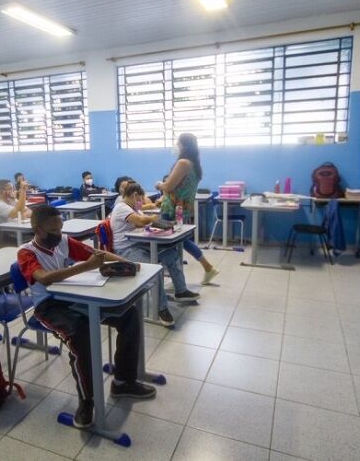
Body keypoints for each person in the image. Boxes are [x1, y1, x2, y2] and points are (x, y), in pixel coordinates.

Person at [18, 205, 156, 429]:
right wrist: (85, 268)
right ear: (38, 230)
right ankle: (87, 401)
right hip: (48, 305)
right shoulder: (26, 252)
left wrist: (124, 263)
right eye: (53, 229)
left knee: (128, 315)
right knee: (80, 332)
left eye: (61, 227)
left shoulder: (63, 240)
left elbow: (96, 256)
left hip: (74, 296)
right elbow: (44, 279)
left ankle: (123, 381)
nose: (59, 233)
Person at [110, 182, 196, 321]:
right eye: (139, 199)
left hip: (139, 244)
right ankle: (161, 309)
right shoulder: (121, 207)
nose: (141, 202)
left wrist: (152, 220)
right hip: (126, 250)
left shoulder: (132, 207)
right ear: (134, 195)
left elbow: (141, 223)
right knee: (155, 269)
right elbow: (141, 221)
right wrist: (153, 218)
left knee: (171, 255)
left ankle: (181, 291)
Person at [156, 133, 220, 285]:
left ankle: (177, 282)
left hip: (171, 209)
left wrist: (158, 184)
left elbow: (168, 186)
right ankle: (206, 268)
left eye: (178, 143)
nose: (176, 146)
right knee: (181, 241)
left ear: (184, 145)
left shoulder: (183, 163)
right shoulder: (195, 165)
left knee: (168, 246)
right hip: (182, 209)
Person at [0, 179, 31, 247]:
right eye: (10, 189)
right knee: (26, 245)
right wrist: (23, 191)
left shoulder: (11, 200)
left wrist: (22, 214)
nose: (13, 191)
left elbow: (29, 211)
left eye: (13, 188)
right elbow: (17, 212)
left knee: (31, 239)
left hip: (8, 233)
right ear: (0, 191)